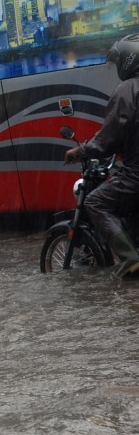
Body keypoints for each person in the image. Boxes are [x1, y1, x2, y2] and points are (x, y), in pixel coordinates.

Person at [65, 34, 139, 278]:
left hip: (136, 174)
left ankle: (129, 258)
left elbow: (108, 137)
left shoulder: (128, 89)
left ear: (129, 60)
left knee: (95, 202)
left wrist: (81, 150)